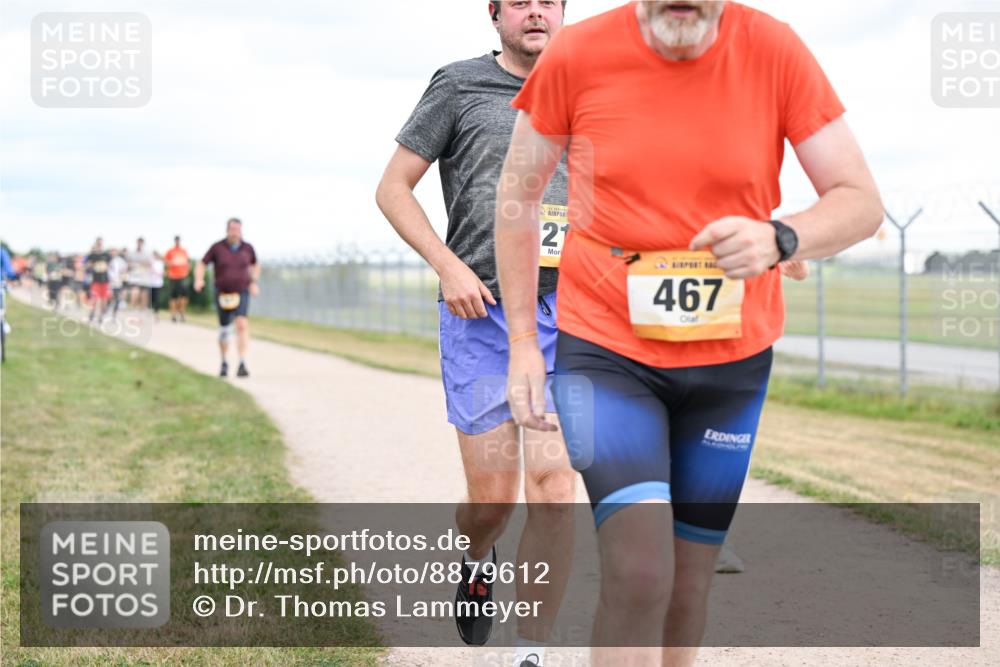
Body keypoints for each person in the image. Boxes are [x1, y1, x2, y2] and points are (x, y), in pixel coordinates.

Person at [494, 2, 883, 665]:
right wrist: (525, 344)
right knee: (640, 570)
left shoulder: (775, 50)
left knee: (688, 583)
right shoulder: (578, 53)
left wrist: (782, 236)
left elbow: (861, 201)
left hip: (730, 365)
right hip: (606, 350)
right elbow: (517, 196)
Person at [376, 2, 576, 662]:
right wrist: (449, 265)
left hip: (569, 319)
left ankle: (531, 651)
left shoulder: (593, 84)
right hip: (482, 315)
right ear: (495, 14)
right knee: (495, 501)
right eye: (519, 0)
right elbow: (393, 188)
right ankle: (475, 554)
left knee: (553, 491)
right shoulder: (458, 85)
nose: (536, 11)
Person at [194, 218, 259, 378]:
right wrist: (199, 279)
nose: (235, 232)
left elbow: (255, 264)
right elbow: (202, 263)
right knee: (224, 329)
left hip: (241, 291)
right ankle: (224, 361)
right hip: (223, 292)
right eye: (232, 229)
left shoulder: (248, 248)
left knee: (242, 324)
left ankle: (242, 362)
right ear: (227, 230)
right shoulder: (217, 247)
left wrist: (253, 282)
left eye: (238, 229)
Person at [164, 236, 191, 323]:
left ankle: (182, 312)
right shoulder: (170, 251)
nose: (177, 242)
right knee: (173, 296)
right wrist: (172, 262)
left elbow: (187, 262)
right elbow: (166, 261)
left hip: (183, 276)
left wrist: (187, 269)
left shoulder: (184, 251)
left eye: (178, 240)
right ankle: (173, 314)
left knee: (184, 296)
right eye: (176, 240)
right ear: (174, 241)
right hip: (173, 276)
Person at [85, 237, 112, 323]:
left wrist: (105, 266)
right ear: (96, 244)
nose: (99, 245)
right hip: (95, 280)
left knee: (104, 299)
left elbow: (110, 265)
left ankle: (101, 315)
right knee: (94, 298)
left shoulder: (106, 255)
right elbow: (87, 265)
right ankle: (92, 314)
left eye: (101, 243)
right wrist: (93, 265)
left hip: (105, 280)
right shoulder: (92, 255)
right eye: (98, 243)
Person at [126, 237, 152, 310]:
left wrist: (139, 264)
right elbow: (128, 264)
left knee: (144, 293)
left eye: (141, 243)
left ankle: (143, 308)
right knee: (135, 291)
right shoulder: (132, 252)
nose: (139, 244)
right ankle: (132, 307)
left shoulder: (147, 253)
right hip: (134, 276)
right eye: (138, 242)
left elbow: (149, 264)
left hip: (144, 276)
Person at [107, 248, 128, 318]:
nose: (112, 253)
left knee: (117, 297)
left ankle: (114, 313)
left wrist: (121, 278)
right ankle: (106, 310)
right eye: (111, 251)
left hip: (117, 282)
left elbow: (124, 270)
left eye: (114, 251)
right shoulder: (108, 259)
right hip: (109, 281)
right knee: (109, 296)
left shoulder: (120, 261)